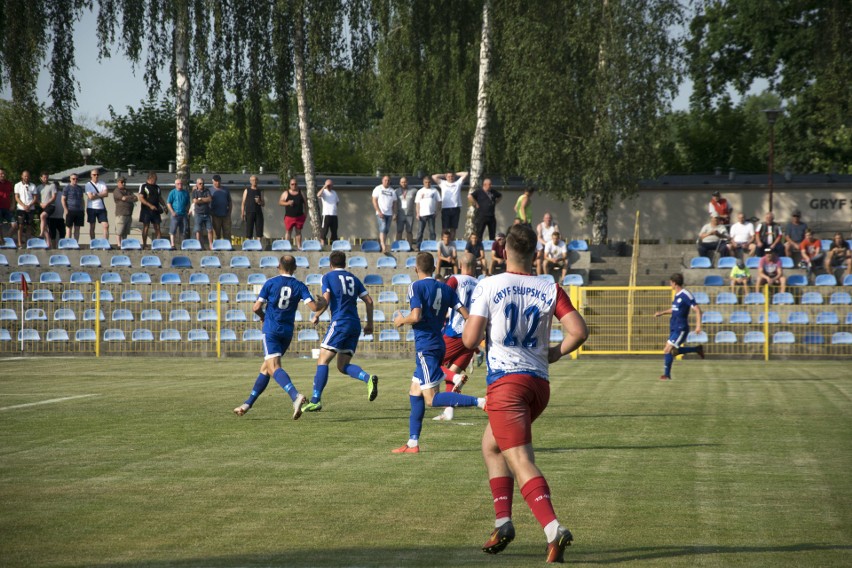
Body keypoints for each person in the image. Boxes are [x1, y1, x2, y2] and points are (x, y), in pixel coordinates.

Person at [461, 223, 588, 563]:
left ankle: (553, 529)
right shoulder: (549, 287)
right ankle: (503, 523)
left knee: (519, 459)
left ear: (503, 251)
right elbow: (578, 331)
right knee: (491, 445)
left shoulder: (489, 284)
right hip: (538, 385)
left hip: (507, 383)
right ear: (535, 253)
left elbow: (470, 341)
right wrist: (556, 352)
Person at [391, 252, 485, 453]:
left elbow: (416, 316)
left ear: (416, 269)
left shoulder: (415, 286)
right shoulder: (444, 287)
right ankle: (412, 443)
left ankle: (481, 402)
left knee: (431, 398)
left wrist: (401, 320)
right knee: (414, 392)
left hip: (426, 347)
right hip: (438, 343)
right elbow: (466, 314)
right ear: (434, 268)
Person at [233, 255, 326, 419]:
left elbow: (256, 307)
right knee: (266, 368)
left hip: (271, 330)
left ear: (278, 266)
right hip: (287, 332)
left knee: (273, 366)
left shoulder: (270, 283)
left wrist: (262, 316)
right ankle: (247, 404)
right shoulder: (299, 286)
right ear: (295, 268)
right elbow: (313, 307)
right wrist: (322, 303)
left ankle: (295, 396)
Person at [300, 251, 380, 412]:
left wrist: (316, 315)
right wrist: (369, 324)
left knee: (322, 360)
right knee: (343, 366)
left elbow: (326, 300)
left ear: (330, 264)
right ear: (345, 263)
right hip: (354, 324)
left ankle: (315, 400)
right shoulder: (354, 279)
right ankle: (368, 378)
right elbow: (369, 301)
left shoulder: (328, 277)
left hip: (340, 322)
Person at [433, 253, 480, 422]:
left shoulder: (454, 279)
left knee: (433, 365)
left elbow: (443, 297)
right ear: (476, 266)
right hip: (472, 336)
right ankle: (448, 411)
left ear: (460, 264)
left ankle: (456, 380)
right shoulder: (481, 284)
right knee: (452, 371)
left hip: (455, 332)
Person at [653, 273, 704, 382]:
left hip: (681, 328)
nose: (670, 284)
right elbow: (675, 309)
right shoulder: (677, 295)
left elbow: (698, 310)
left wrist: (698, 326)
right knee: (673, 352)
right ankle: (696, 349)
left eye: (670, 282)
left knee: (667, 350)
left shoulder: (685, 294)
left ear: (674, 283)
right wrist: (661, 313)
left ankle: (666, 375)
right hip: (674, 327)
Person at [432, 169, 468, 241]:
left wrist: (455, 173)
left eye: (452, 176)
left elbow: (466, 173)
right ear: (446, 177)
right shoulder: (442, 183)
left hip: (455, 208)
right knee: (445, 228)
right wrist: (444, 175)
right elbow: (434, 176)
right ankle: (443, 242)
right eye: (448, 176)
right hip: (446, 208)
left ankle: (452, 242)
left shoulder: (458, 183)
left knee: (453, 228)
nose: (450, 177)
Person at [370, 175, 397, 253]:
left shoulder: (392, 191)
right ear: (382, 181)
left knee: (386, 230)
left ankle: (382, 246)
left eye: (388, 180)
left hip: (389, 214)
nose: (387, 182)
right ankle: (383, 246)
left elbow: (395, 203)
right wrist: (378, 211)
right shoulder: (378, 188)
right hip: (381, 212)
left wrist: (394, 213)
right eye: (385, 180)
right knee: (383, 227)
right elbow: (374, 200)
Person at [138, 171, 164, 249]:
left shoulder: (157, 187)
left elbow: (160, 198)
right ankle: (145, 244)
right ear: (150, 178)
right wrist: (150, 205)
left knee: (157, 227)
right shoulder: (143, 186)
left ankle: (158, 244)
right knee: (146, 226)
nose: (155, 181)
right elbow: (141, 198)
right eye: (154, 179)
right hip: (146, 210)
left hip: (156, 210)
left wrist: (164, 206)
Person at [84, 169, 109, 243]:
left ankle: (105, 243)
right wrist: (101, 194)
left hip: (101, 208)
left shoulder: (102, 183)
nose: (96, 176)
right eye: (94, 175)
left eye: (97, 174)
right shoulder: (88, 184)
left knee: (106, 225)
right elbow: (90, 197)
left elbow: (106, 194)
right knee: (92, 226)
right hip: (91, 208)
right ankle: (93, 243)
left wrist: (96, 194)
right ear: (91, 175)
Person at [279, 178, 306, 248]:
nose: (294, 185)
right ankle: (286, 246)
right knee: (288, 231)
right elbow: (280, 202)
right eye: (292, 184)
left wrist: (306, 214)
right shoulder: (286, 193)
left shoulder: (301, 192)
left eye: (295, 184)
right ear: (290, 185)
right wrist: (287, 203)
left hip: (299, 217)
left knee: (298, 232)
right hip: (289, 216)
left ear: (297, 184)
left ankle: (299, 247)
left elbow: (306, 204)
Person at [14, 170, 38, 247]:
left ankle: (28, 243)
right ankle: (20, 243)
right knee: (20, 225)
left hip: (30, 208)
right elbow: (17, 197)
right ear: (22, 176)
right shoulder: (17, 185)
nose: (26, 177)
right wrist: (24, 205)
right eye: (25, 176)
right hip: (21, 208)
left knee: (29, 226)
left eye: (27, 176)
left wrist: (29, 205)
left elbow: (35, 198)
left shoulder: (33, 186)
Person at [112, 176, 138, 248]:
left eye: (124, 182)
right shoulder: (117, 191)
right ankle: (119, 245)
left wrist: (127, 197)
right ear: (118, 183)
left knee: (125, 232)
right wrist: (130, 197)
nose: (123, 183)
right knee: (119, 231)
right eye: (122, 182)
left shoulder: (128, 191)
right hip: (121, 214)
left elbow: (136, 198)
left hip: (129, 214)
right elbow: (123, 198)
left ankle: (124, 244)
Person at [414, 176, 440, 247]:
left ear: (431, 182)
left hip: (432, 214)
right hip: (422, 214)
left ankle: (432, 246)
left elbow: (438, 201)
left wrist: (437, 211)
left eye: (429, 182)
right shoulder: (420, 191)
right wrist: (417, 213)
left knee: (432, 231)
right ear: (423, 183)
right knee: (420, 231)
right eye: (426, 182)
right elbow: (417, 203)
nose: (427, 184)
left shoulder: (434, 191)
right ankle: (418, 246)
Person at [166, 178, 190, 249]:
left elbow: (188, 203)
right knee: (173, 230)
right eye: (178, 184)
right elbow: (168, 203)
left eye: (181, 184)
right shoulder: (172, 192)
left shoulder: (185, 193)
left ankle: (182, 245)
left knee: (183, 230)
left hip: (183, 214)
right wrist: (172, 212)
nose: (180, 185)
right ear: (175, 185)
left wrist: (188, 211)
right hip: (175, 214)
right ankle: (172, 245)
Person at [191, 177, 214, 249]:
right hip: (198, 214)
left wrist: (200, 199)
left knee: (210, 230)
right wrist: (204, 200)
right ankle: (198, 245)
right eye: (200, 183)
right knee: (198, 230)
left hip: (207, 213)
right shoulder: (195, 192)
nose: (202, 185)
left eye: (203, 183)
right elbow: (195, 201)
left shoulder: (207, 190)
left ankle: (211, 245)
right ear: (197, 184)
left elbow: (210, 199)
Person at [241, 175, 266, 241]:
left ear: (257, 181)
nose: (254, 181)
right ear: (250, 182)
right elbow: (243, 202)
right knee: (249, 231)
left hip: (258, 213)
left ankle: (259, 246)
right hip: (249, 212)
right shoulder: (247, 190)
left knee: (259, 231)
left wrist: (259, 201)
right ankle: (249, 246)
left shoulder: (260, 191)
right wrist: (242, 213)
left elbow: (263, 204)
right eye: (252, 180)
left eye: (255, 180)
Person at [62, 173, 86, 241]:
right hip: (70, 210)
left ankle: (76, 243)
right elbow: (63, 199)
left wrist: (83, 209)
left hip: (79, 211)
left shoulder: (80, 188)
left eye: (76, 179)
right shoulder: (66, 188)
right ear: (70, 179)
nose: (75, 180)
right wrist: (66, 209)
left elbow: (82, 199)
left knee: (77, 228)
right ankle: (68, 243)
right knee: (69, 228)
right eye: (73, 179)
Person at [41, 180, 65, 248]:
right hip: (52, 217)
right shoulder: (50, 195)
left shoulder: (62, 193)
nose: (55, 187)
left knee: (62, 233)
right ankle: (54, 248)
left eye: (57, 186)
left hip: (60, 217)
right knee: (53, 235)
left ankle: (61, 247)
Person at [36, 172, 57, 248]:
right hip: (41, 206)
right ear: (41, 178)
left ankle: (41, 234)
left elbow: (54, 197)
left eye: (47, 177)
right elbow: (36, 198)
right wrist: (40, 203)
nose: (45, 179)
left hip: (50, 206)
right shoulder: (38, 187)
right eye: (44, 177)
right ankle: (48, 244)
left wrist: (46, 203)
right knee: (44, 225)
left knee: (42, 216)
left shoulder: (52, 185)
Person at [210, 174, 232, 242]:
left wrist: (229, 212)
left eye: (219, 181)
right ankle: (216, 246)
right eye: (216, 181)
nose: (217, 182)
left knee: (227, 232)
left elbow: (230, 201)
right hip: (215, 215)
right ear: (213, 181)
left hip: (226, 215)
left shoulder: (226, 190)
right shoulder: (210, 190)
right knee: (216, 233)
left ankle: (228, 246)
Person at [317, 179, 339, 246]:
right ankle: (322, 245)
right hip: (326, 214)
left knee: (334, 231)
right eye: (328, 185)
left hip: (334, 215)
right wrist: (324, 186)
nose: (329, 186)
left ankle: (334, 245)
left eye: (330, 185)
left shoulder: (334, 193)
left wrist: (334, 208)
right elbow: (318, 195)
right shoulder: (324, 192)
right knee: (324, 230)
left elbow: (337, 202)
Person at [395, 177, 416, 244]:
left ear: (407, 182)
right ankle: (397, 247)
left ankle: (409, 246)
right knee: (399, 231)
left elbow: (420, 197)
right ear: (399, 183)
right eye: (402, 182)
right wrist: (394, 213)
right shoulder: (396, 191)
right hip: (400, 214)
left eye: (405, 182)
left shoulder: (414, 190)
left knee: (409, 231)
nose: (403, 183)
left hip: (410, 214)